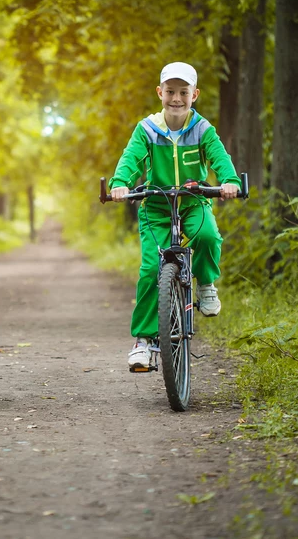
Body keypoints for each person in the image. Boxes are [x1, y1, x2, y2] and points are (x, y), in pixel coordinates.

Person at [108, 62, 241, 370]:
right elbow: (130, 159)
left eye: (183, 92)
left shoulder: (203, 129)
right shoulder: (147, 129)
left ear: (194, 95)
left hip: (193, 202)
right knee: (150, 269)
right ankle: (143, 340)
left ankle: (206, 284)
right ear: (160, 93)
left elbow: (219, 157)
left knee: (207, 235)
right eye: (170, 92)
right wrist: (120, 183)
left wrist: (230, 180)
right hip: (156, 206)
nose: (176, 99)